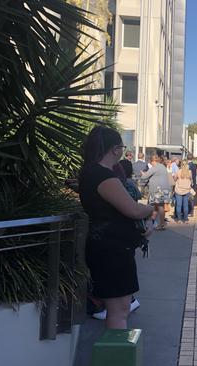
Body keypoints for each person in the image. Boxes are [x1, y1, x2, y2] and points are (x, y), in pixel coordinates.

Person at [78, 126, 154, 329]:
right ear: (114, 149)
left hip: (107, 247)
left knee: (120, 308)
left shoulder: (91, 172)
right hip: (111, 251)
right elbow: (133, 210)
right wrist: (151, 209)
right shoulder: (103, 176)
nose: (122, 150)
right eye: (122, 146)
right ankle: (116, 355)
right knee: (119, 310)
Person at [140, 155, 172, 230]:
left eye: (151, 163)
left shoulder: (155, 167)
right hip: (164, 189)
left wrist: (142, 173)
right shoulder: (163, 167)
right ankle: (152, 222)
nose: (151, 164)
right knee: (156, 207)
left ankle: (161, 224)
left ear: (153, 161)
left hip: (158, 190)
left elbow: (144, 177)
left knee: (160, 206)